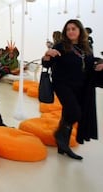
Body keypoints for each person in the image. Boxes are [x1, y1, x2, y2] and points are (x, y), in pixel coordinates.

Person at [42, 19, 103, 160]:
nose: (70, 31)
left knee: (68, 113)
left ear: (79, 31)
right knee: (75, 113)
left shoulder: (86, 47)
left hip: (80, 86)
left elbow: (90, 64)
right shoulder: (61, 46)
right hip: (62, 85)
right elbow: (47, 63)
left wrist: (99, 64)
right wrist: (47, 55)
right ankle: (59, 135)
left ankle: (63, 146)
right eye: (68, 29)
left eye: (73, 29)